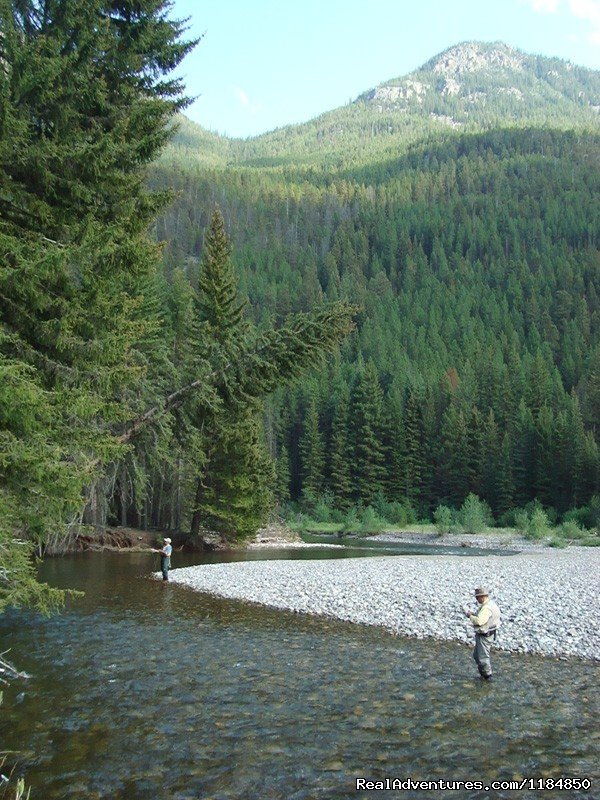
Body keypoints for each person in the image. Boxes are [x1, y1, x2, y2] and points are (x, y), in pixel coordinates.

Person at [465, 587, 500, 681]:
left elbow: (479, 621)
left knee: (482, 657)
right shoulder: (490, 604)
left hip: (484, 636)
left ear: (482, 597)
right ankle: (483, 675)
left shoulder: (486, 608)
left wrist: (470, 616)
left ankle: (488, 677)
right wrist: (474, 614)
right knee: (476, 655)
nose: (476, 599)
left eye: (477, 597)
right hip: (488, 634)